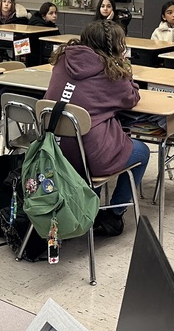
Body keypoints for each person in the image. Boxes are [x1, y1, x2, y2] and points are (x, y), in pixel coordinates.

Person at [44, 20, 148, 238]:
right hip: (86, 156)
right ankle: (113, 215)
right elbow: (131, 98)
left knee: (99, 137)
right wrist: (126, 70)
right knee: (142, 151)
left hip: (52, 151)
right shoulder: (111, 72)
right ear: (115, 47)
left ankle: (88, 203)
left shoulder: (63, 60)